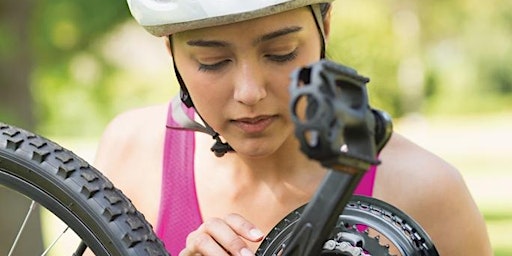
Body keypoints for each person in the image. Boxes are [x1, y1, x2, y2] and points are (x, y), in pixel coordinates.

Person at [94, 0, 492, 255]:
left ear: (325, 27)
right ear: (172, 53)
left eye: (280, 53)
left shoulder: (426, 190)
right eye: (212, 61)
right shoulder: (132, 151)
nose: (250, 92)